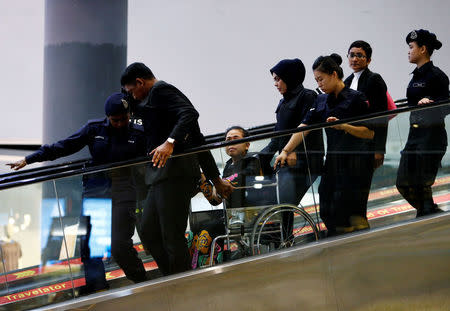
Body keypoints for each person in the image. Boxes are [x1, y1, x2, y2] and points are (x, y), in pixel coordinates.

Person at [7, 93, 149, 287]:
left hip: (124, 191)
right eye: (115, 120)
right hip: (96, 191)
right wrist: (29, 159)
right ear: (108, 117)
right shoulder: (94, 129)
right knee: (91, 248)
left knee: (119, 245)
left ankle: (142, 281)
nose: (120, 123)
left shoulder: (138, 132)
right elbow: (64, 146)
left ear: (129, 114)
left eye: (124, 119)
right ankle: (98, 291)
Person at [120, 62, 233, 276]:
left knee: (172, 235)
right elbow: (199, 141)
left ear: (140, 82)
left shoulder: (161, 91)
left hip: (176, 175)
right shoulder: (146, 102)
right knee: (148, 231)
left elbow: (190, 113)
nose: (132, 97)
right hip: (160, 177)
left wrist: (170, 142)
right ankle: (171, 277)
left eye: (132, 91)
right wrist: (216, 180)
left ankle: (180, 284)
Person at [274, 54, 374, 236]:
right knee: (327, 208)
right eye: (316, 80)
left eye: (321, 79)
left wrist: (344, 126)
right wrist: (286, 151)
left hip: (357, 162)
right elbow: (304, 127)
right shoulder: (320, 100)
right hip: (333, 162)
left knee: (353, 214)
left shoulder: (356, 98)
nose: (318, 84)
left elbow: (369, 133)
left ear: (334, 74)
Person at [261, 58, 324, 240]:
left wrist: (290, 150)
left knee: (285, 202)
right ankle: (282, 239)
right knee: (279, 203)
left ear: (289, 77)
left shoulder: (307, 96)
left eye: (278, 79)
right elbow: (278, 137)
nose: (275, 84)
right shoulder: (283, 103)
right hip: (286, 161)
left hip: (306, 161)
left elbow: (307, 128)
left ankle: (285, 239)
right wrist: (260, 156)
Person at [396, 29, 449, 217]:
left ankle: (428, 215)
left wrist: (430, 105)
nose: (408, 51)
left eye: (411, 47)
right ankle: (429, 212)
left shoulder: (437, 76)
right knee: (402, 182)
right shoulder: (415, 76)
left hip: (431, 136)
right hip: (414, 135)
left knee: (421, 183)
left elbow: (446, 107)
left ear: (423, 49)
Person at [344, 40, 389, 230]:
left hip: (368, 143)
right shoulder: (346, 81)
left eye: (359, 55)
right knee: (350, 187)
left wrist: (379, 149)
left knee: (361, 187)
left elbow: (382, 116)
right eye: (352, 54)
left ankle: (361, 226)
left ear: (368, 60)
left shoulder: (374, 80)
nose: (355, 58)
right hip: (349, 144)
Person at [223, 126, 262, 210]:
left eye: (236, 139)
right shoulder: (228, 165)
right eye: (228, 140)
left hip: (253, 209)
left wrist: (227, 180)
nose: (231, 143)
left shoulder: (252, 159)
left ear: (247, 145)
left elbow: (246, 174)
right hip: (232, 211)